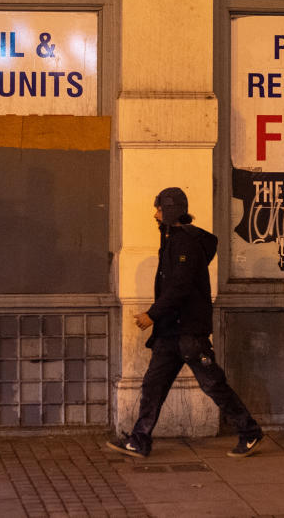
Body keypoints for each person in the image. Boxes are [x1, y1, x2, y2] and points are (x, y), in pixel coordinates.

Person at [107, 187, 263, 459]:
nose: (154, 214)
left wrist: (151, 315)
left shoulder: (186, 244)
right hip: (170, 332)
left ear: (169, 211)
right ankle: (139, 439)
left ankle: (249, 432)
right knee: (153, 385)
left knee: (212, 383)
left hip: (188, 332)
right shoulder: (171, 239)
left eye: (158, 208)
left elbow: (179, 287)